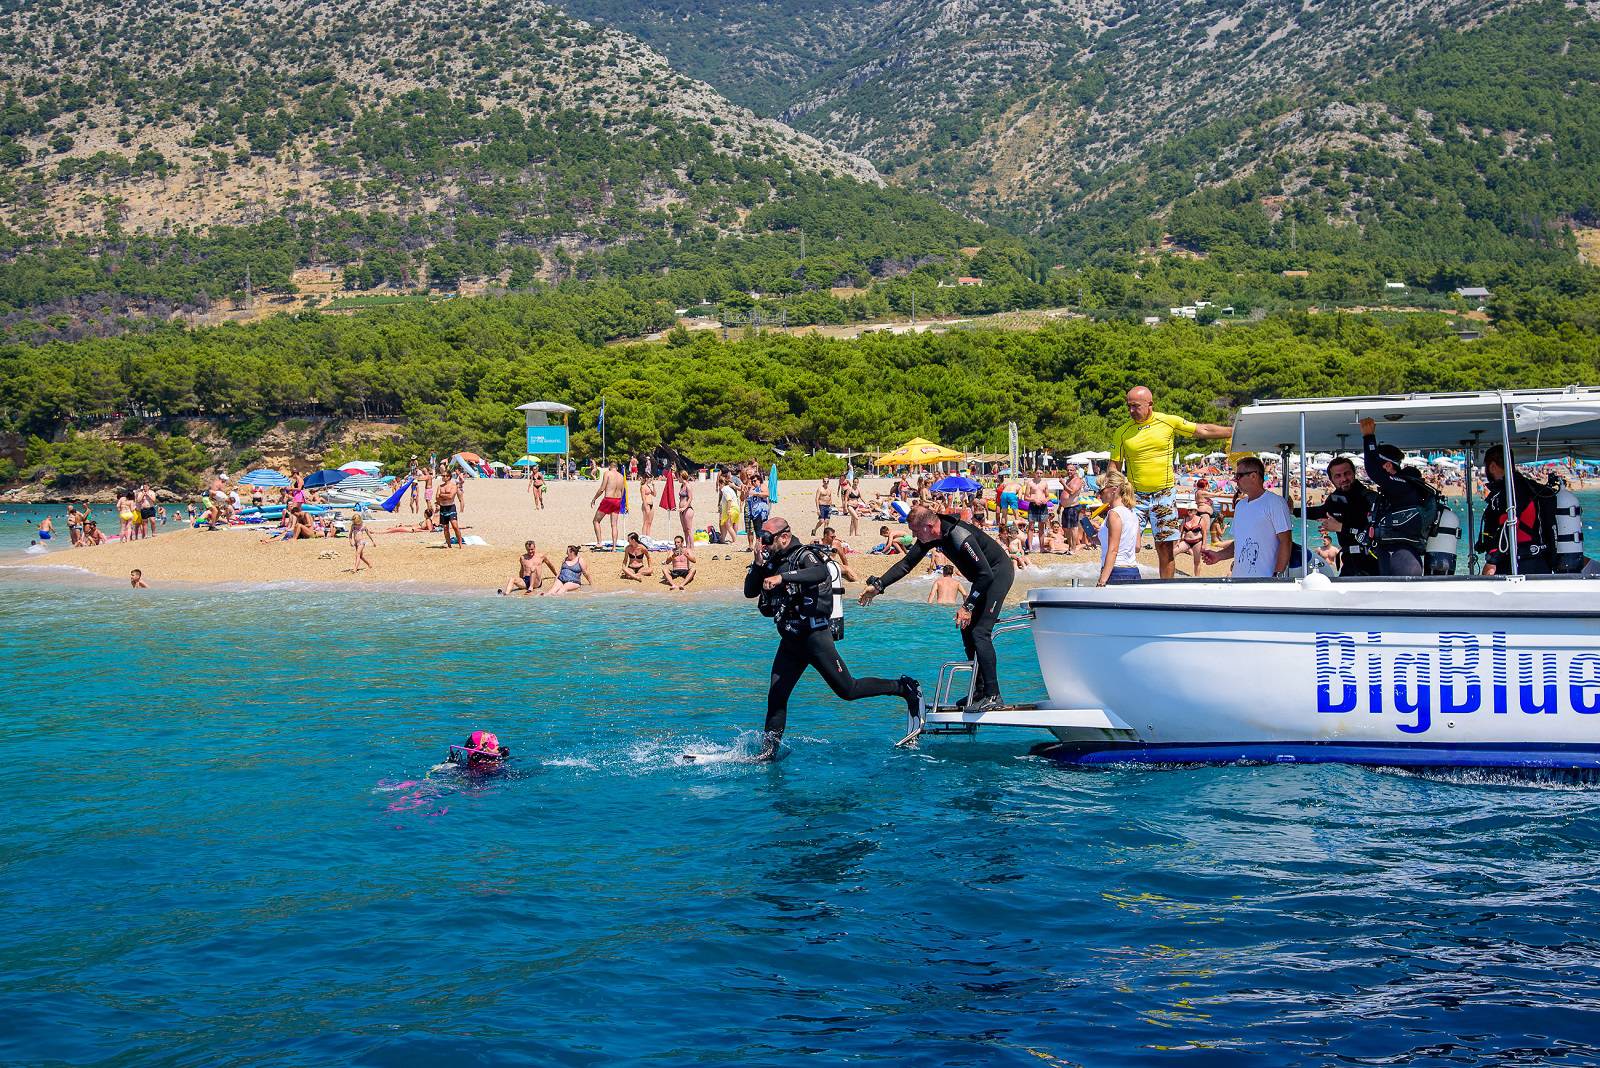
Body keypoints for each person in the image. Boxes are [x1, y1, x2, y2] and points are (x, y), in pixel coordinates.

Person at [746, 516, 922, 761]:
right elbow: (749, 591)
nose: (763, 543)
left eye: (766, 538)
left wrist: (782, 578)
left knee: (848, 690)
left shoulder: (805, 555)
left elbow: (820, 572)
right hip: (790, 641)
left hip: (814, 638)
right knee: (776, 696)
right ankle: (768, 753)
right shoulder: (773, 560)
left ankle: (904, 687)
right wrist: (757, 564)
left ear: (784, 537)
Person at [859, 504, 1014, 712]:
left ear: (929, 526)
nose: (913, 535)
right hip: (983, 578)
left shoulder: (959, 536)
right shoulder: (932, 536)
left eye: (915, 531)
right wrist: (878, 586)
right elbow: (906, 564)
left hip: (997, 574)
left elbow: (985, 574)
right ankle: (980, 691)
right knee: (967, 629)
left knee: (980, 632)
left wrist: (968, 606)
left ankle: (993, 695)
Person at [1108, 386, 1233, 579]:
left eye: (1136, 406)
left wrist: (1234, 432)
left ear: (1150, 405)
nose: (1131, 411)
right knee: (1127, 543)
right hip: (1134, 497)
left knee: (1165, 548)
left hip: (1163, 494)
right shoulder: (1122, 432)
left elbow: (1203, 429)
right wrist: (1114, 494)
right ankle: (1121, 582)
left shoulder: (1168, 421)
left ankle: (1165, 588)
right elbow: (1113, 467)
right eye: (1129, 406)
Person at [1358, 417, 1437, 577]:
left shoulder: (1402, 485)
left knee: (1400, 599)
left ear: (1387, 466)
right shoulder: (1395, 488)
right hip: (1394, 552)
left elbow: (1374, 471)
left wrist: (1368, 437)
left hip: (1402, 556)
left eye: (1379, 463)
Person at [1201, 456, 1292, 578]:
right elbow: (1239, 543)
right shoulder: (1240, 506)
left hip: (1264, 581)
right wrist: (1219, 556)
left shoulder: (1275, 503)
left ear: (1254, 476)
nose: (1235, 480)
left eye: (1238, 476)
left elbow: (1285, 541)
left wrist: (1276, 575)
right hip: (1239, 579)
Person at [1477, 445, 1557, 576]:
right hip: (1540, 561)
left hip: (1518, 563)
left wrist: (1492, 561)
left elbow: (1508, 525)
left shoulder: (1509, 491)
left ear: (1492, 467)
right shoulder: (1531, 487)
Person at [1297, 456, 1379, 577]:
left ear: (1354, 473)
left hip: (1372, 560)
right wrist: (1292, 510)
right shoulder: (1335, 499)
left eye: (1347, 474)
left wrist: (1340, 527)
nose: (1344, 479)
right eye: (1338, 476)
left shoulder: (1370, 498)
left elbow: (1373, 534)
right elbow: (1319, 512)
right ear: (1331, 480)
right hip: (1349, 561)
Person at [1093, 472, 1141, 586]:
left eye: (1101, 490)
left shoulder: (1114, 514)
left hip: (1116, 572)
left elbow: (1114, 550)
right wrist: (1100, 539)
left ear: (1114, 489)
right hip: (1133, 570)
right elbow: (1137, 547)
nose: (1098, 494)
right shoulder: (1133, 514)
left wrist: (1102, 580)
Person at [1023, 469, 1052, 553]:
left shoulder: (1044, 483)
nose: (1039, 474)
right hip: (1033, 505)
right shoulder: (1030, 483)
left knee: (1041, 527)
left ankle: (1042, 547)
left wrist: (1046, 500)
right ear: (1034, 473)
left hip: (1043, 506)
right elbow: (1025, 497)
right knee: (1031, 526)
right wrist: (1034, 500)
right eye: (1037, 473)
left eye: (1040, 473)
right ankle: (1030, 547)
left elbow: (1048, 496)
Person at [436, 476, 463, 548]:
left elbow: (451, 496)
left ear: (449, 477)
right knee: (445, 528)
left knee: (455, 526)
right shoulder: (440, 486)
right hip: (443, 508)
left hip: (451, 507)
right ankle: (449, 545)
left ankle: (460, 545)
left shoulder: (453, 486)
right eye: (443, 476)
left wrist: (442, 495)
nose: (443, 477)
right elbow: (437, 497)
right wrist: (445, 496)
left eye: (445, 476)